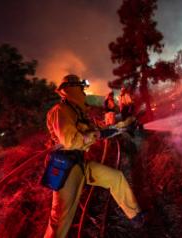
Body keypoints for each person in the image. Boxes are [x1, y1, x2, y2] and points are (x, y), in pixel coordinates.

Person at [44, 74, 143, 238]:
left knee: (115, 177)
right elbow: (71, 141)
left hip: (80, 163)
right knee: (60, 222)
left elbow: (99, 128)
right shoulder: (60, 111)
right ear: (72, 89)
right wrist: (97, 135)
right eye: (81, 88)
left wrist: (123, 126)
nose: (84, 92)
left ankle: (135, 215)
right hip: (66, 168)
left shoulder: (78, 112)